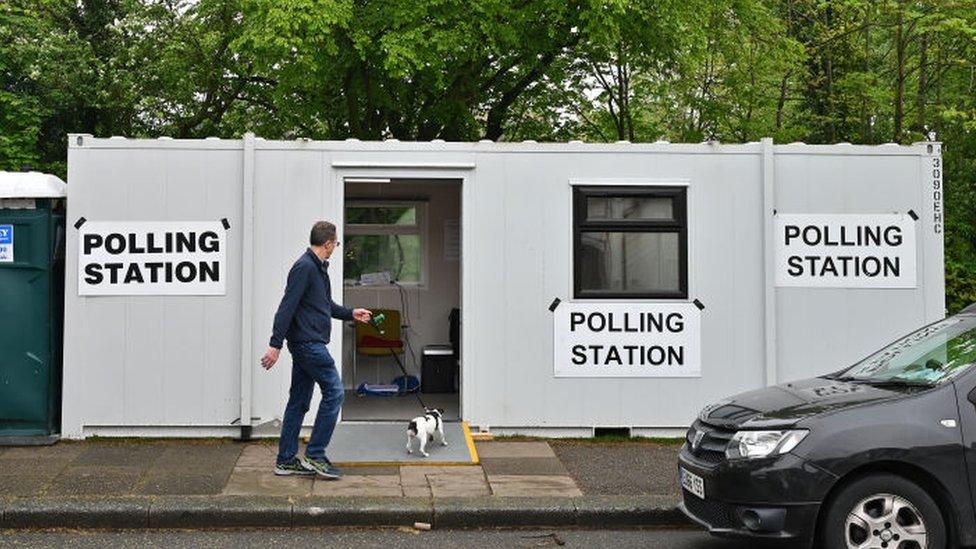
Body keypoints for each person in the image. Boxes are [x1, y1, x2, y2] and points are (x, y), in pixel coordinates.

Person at [260, 221, 372, 479]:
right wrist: (275, 345)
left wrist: (351, 313)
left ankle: (286, 460)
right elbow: (286, 308)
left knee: (298, 402)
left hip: (306, 344)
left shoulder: (317, 269)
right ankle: (315, 455)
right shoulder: (304, 268)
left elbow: (325, 306)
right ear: (329, 243)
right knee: (334, 393)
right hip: (308, 345)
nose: (336, 248)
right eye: (336, 244)